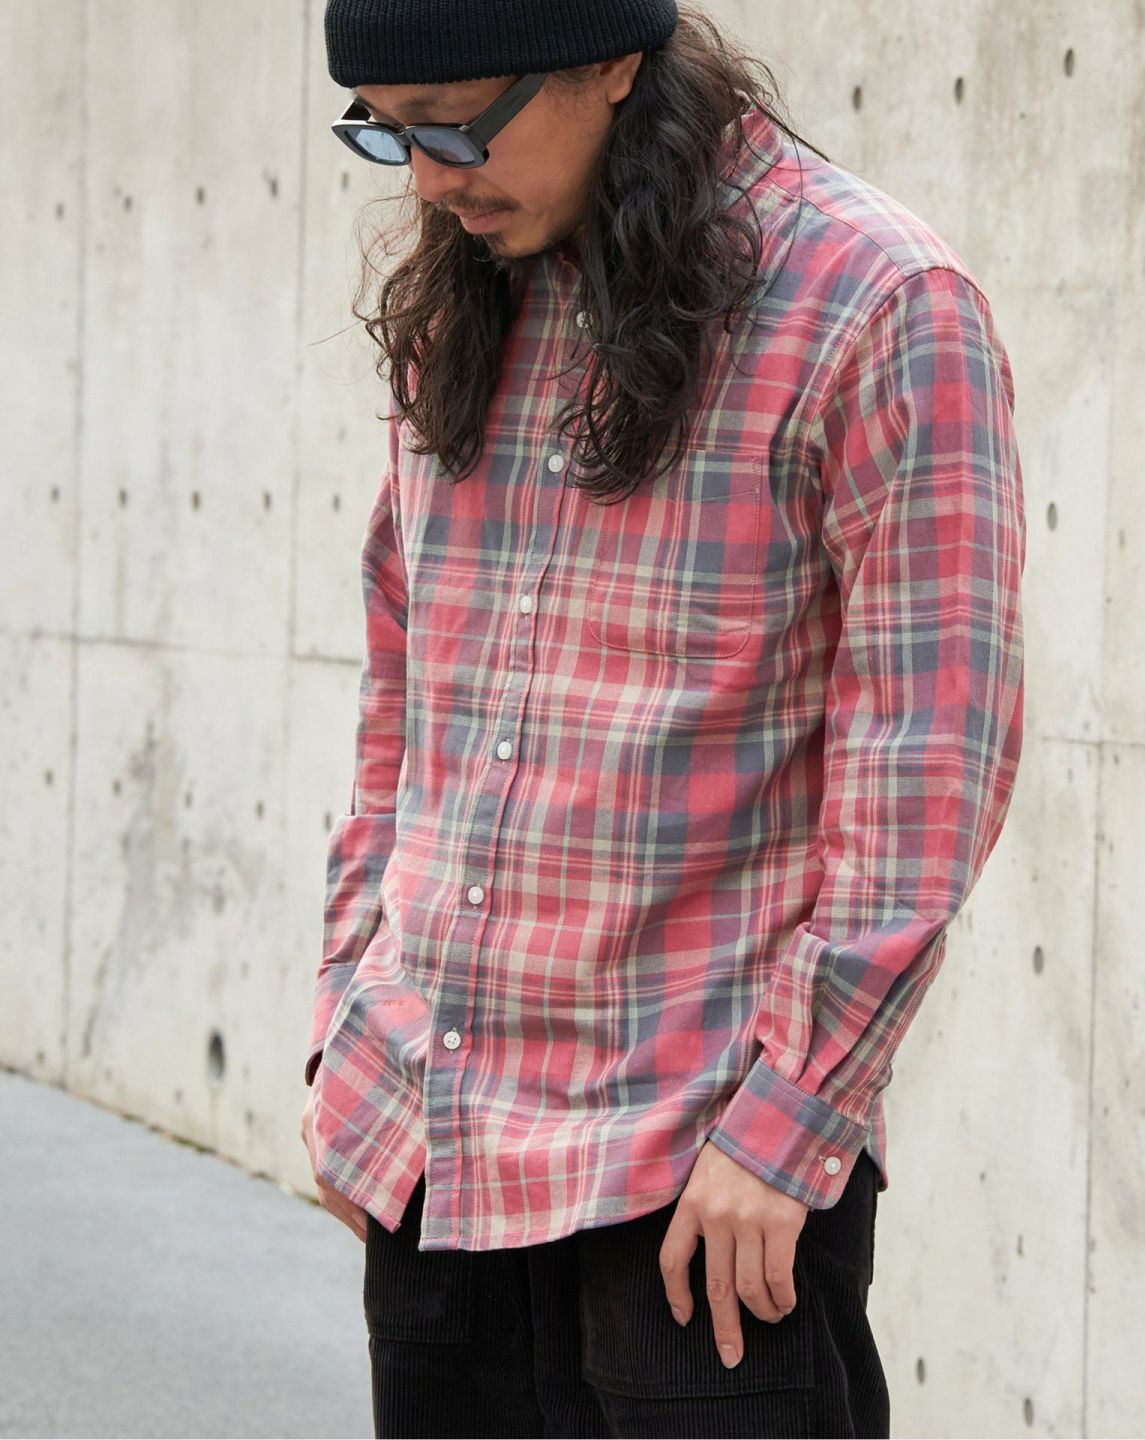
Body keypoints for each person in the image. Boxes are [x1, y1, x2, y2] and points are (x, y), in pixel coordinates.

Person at [300, 2, 1026, 1435]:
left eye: (454, 126)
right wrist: (345, 1024)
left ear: (611, 61)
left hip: (701, 1187)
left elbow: (926, 765)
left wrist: (793, 1122)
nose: (429, 179)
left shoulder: (874, 304)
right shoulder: (465, 296)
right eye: (385, 132)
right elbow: (404, 693)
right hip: (433, 1145)